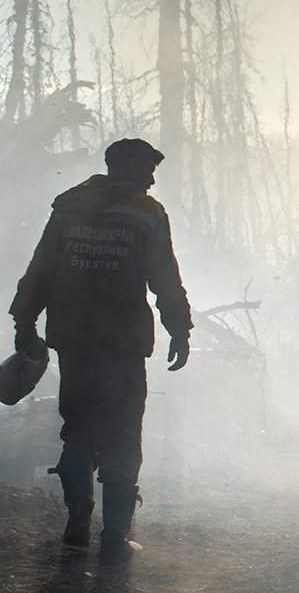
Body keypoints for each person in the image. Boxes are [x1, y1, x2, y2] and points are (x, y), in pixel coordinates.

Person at [10, 138, 192, 556]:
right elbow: (164, 278)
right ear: (127, 167)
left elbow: (41, 269)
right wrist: (179, 329)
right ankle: (114, 536)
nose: (150, 179)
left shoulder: (69, 209)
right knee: (123, 432)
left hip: (73, 340)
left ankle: (77, 525)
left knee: (78, 429)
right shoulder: (147, 214)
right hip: (122, 342)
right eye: (147, 169)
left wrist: (25, 322)